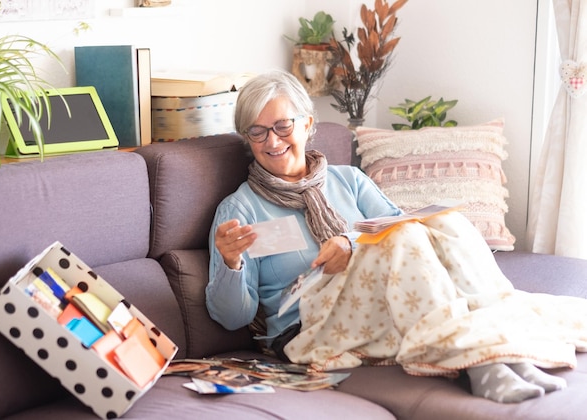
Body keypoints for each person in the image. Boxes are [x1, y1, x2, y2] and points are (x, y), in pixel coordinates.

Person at [206, 69, 587, 404]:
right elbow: (231, 317)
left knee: (448, 226)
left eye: (282, 126)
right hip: (305, 326)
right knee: (402, 239)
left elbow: (404, 229)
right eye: (256, 132)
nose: (272, 142)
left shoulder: (349, 181)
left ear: (306, 124)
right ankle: (483, 368)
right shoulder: (240, 211)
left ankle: (505, 354)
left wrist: (349, 244)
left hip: (373, 301)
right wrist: (231, 262)